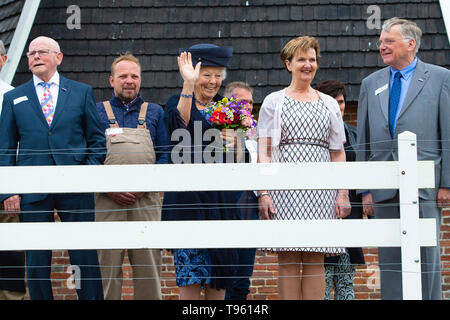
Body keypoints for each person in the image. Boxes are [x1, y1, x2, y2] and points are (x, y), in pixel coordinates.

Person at [0, 36, 105, 300]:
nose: (35, 56)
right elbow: (4, 148)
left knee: (84, 257)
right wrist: (8, 191)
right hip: (32, 189)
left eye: (42, 52)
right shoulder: (14, 97)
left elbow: (97, 141)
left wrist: (86, 175)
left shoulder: (81, 92)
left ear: (58, 57)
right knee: (36, 260)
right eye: (31, 53)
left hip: (76, 187)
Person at [356, 17, 449, 300]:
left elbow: (448, 132)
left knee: (427, 258)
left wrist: (446, 183)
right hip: (384, 189)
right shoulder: (370, 83)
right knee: (391, 261)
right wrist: (366, 189)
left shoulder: (441, 77)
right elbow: (364, 139)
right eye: (381, 42)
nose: (381, 46)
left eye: (388, 41)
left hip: (425, 187)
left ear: (410, 44)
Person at [257, 36, 351, 300]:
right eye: (301, 59)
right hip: (283, 187)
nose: (307, 64)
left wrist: (342, 192)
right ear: (288, 64)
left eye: (312, 59)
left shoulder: (329, 104)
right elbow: (264, 151)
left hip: (321, 188)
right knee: (287, 258)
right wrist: (264, 192)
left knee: (314, 258)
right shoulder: (273, 102)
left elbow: (338, 152)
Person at [162, 43, 243, 300]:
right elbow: (180, 127)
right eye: (206, 74)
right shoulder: (177, 102)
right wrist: (188, 84)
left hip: (221, 207)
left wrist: (236, 142)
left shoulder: (229, 108)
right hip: (188, 206)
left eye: (217, 75)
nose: (213, 81)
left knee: (218, 287)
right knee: (189, 282)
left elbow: (241, 163)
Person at [95, 53, 169, 300]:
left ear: (140, 80)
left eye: (134, 76)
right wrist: (108, 189)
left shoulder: (156, 112)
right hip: (106, 201)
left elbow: (165, 156)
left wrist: (144, 186)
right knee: (107, 268)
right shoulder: (97, 112)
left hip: (146, 199)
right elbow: (89, 156)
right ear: (111, 80)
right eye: (123, 76)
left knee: (148, 268)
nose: (129, 80)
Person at [314, 80, 366, 300]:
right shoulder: (313, 136)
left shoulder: (354, 134)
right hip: (321, 215)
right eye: (333, 101)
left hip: (350, 213)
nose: (338, 106)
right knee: (322, 283)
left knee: (346, 283)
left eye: (342, 101)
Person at [223, 81, 258, 300]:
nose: (248, 106)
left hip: (250, 208)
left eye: (251, 102)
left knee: (243, 278)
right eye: (242, 101)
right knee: (228, 277)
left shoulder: (257, 132)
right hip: (227, 208)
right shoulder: (218, 130)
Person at [0, 40, 26, 300]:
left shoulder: (14, 96)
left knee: (8, 256)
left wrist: (12, 189)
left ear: (3, 60)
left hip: (4, 191)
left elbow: (19, 145)